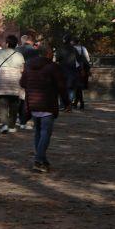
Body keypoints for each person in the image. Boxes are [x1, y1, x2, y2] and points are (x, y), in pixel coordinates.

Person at [20, 42, 69, 172]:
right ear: (48, 53)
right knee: (45, 133)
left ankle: (43, 160)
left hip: (33, 102)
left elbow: (22, 82)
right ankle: (38, 159)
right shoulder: (53, 67)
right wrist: (67, 102)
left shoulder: (29, 65)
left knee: (38, 132)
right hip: (47, 102)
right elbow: (61, 86)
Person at [0, 34, 26, 133]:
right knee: (14, 104)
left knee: (2, 103)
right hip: (15, 80)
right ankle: (12, 126)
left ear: (7, 43)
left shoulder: (0, 52)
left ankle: (4, 124)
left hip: (2, 79)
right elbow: (22, 69)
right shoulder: (19, 55)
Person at [55, 35, 80, 110]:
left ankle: (63, 105)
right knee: (71, 88)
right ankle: (69, 104)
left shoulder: (60, 49)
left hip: (62, 70)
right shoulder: (74, 49)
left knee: (62, 88)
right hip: (72, 71)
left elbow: (57, 59)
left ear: (64, 40)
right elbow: (78, 59)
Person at [71, 36, 91, 110]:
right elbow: (87, 59)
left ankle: (79, 103)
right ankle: (78, 103)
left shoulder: (72, 49)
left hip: (76, 69)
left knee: (77, 87)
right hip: (83, 70)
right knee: (79, 87)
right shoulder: (83, 48)